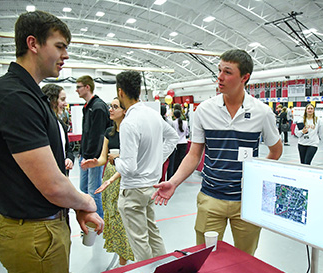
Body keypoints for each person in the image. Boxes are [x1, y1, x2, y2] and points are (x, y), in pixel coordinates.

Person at [0, 11, 104, 273]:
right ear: (33, 43)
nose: (65, 55)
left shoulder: (28, 94)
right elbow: (50, 183)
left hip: (42, 230)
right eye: (60, 46)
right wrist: (86, 201)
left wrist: (73, 206)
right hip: (34, 235)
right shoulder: (14, 96)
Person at [153, 49, 282, 256]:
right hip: (210, 199)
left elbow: (276, 150)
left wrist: (255, 175)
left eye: (228, 72)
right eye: (219, 70)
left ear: (245, 77)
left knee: (246, 260)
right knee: (205, 258)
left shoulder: (262, 112)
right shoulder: (204, 110)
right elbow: (194, 154)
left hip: (247, 202)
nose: (220, 77)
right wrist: (174, 181)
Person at [113, 71, 178, 262]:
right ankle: (163, 272)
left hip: (133, 189)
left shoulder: (129, 123)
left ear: (120, 92)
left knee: (139, 241)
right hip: (151, 187)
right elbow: (172, 137)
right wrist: (158, 159)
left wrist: (116, 159)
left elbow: (129, 166)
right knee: (153, 233)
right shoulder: (152, 114)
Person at [81, 98, 134, 267]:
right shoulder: (109, 132)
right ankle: (122, 258)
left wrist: (119, 158)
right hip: (110, 176)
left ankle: (127, 258)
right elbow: (104, 157)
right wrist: (94, 162)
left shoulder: (130, 132)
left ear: (124, 111)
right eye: (111, 106)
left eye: (115, 107)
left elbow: (133, 158)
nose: (110, 110)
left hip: (124, 176)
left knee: (123, 217)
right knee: (113, 216)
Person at [41, 83, 80, 273]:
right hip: (53, 186)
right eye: (63, 98)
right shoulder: (45, 123)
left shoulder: (60, 122)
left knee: (64, 228)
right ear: (53, 99)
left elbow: (66, 150)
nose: (65, 103)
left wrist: (68, 158)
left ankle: (62, 272)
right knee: (55, 235)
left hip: (62, 179)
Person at [76, 75, 110, 218]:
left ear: (87, 87)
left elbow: (98, 136)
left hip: (93, 157)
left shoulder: (98, 108)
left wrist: (91, 157)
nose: (76, 90)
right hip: (86, 155)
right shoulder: (88, 107)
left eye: (78, 87)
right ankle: (92, 218)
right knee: (84, 188)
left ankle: (98, 221)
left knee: (93, 191)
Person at [171, 108, 189, 175]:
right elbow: (187, 133)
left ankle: (175, 173)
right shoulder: (185, 122)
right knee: (182, 159)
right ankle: (182, 172)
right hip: (184, 142)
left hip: (176, 143)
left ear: (174, 116)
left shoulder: (173, 123)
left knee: (175, 159)